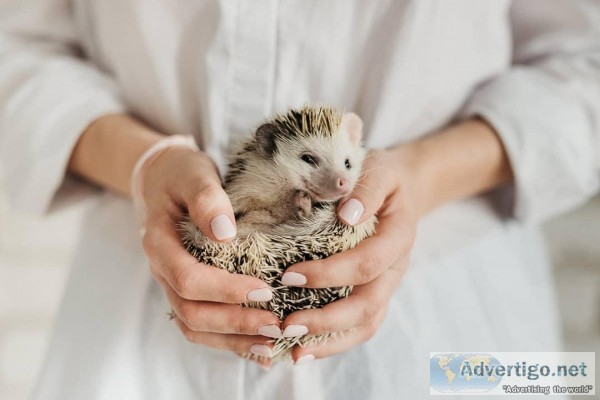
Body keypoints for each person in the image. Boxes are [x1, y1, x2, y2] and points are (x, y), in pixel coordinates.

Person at [1, 1, 599, 399]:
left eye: (344, 165)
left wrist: (420, 175)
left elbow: (586, 70)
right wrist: (144, 165)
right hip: (135, 328)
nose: (341, 184)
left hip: (449, 320)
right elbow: (16, 52)